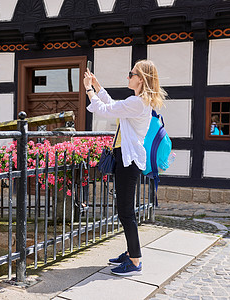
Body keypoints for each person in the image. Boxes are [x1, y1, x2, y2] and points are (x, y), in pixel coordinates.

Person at [83, 59, 166, 276]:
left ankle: (135, 261)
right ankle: (131, 253)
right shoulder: (137, 102)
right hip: (126, 159)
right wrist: (97, 86)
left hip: (128, 162)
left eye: (131, 73)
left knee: (126, 212)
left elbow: (103, 110)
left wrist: (89, 90)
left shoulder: (137, 102)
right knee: (125, 210)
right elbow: (113, 106)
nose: (128, 77)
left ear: (141, 79)